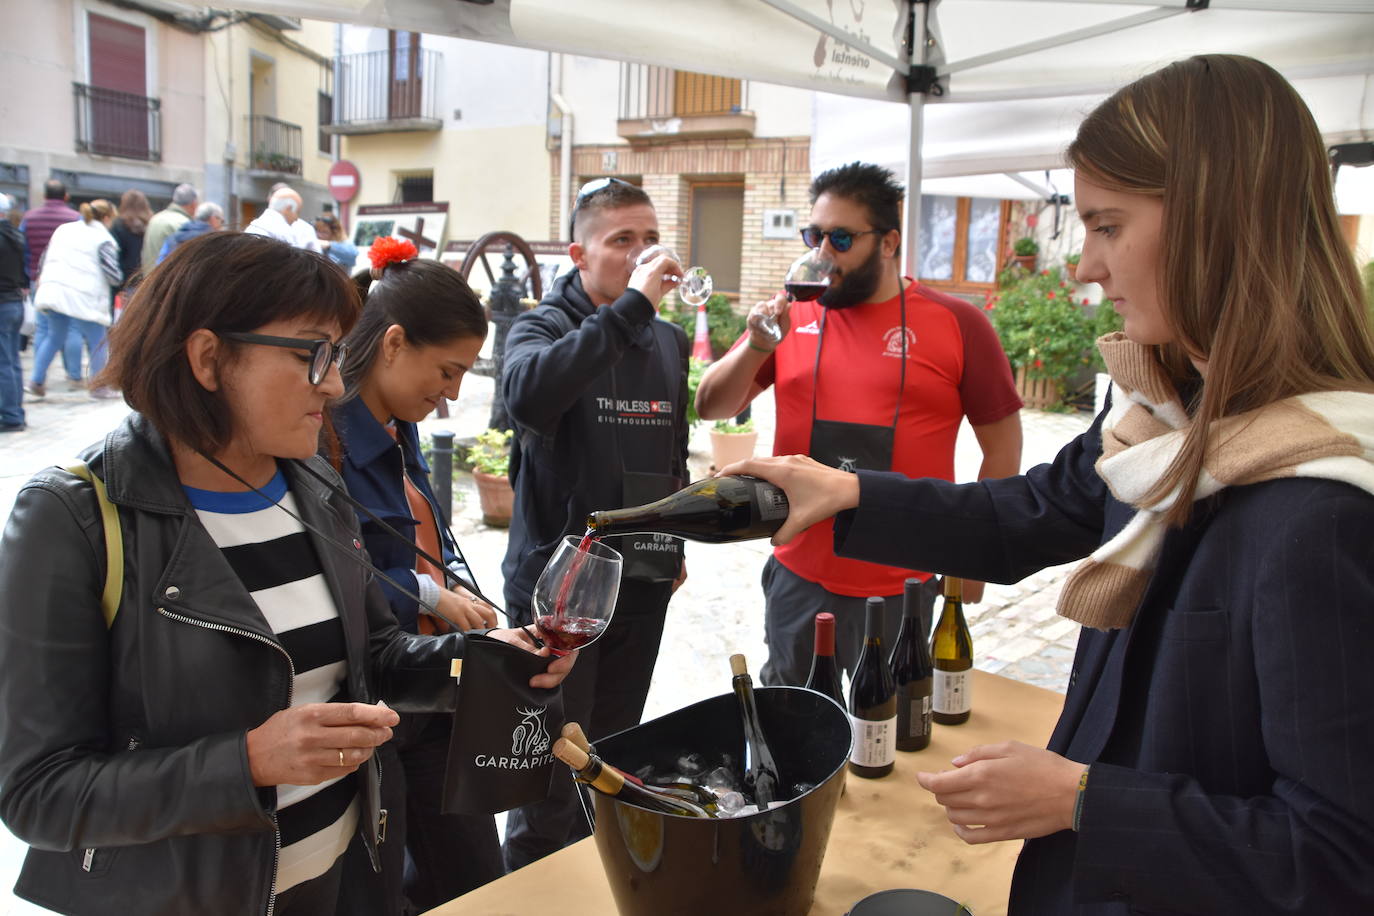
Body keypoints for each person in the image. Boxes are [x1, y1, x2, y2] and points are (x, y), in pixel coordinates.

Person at [724, 55, 1374, 914]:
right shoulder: (1162, 410)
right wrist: (850, 494)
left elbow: (1338, 857)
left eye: (1107, 227)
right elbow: (1037, 509)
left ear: (1218, 225)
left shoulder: (1322, 505)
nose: (1086, 269)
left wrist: (1079, 800)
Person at [0, 231, 573, 916]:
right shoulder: (76, 517)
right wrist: (244, 763)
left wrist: (480, 663)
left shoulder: (313, 484)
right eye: (314, 355)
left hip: (344, 879)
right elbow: (39, 791)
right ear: (209, 358)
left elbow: (375, 659)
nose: (334, 384)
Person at [695, 161, 1023, 686]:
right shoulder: (792, 316)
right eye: (814, 235)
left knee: (891, 736)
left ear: (889, 242)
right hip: (799, 572)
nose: (822, 254)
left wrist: (972, 562)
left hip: (904, 582)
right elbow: (711, 404)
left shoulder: (958, 324)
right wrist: (759, 344)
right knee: (790, 731)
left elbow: (1003, 448)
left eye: (841, 238)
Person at [499, 177, 689, 871]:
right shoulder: (540, 327)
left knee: (613, 754)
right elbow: (529, 398)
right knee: (550, 771)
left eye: (649, 238)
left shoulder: (664, 339)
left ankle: (595, 881)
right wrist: (633, 303)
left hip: (641, 579)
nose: (643, 254)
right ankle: (533, 890)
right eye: (622, 242)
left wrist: (674, 544)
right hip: (560, 594)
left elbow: (672, 449)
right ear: (580, 253)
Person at [330, 240, 505, 914]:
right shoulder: (326, 436)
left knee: (471, 869)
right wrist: (431, 593)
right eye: (448, 371)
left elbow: (428, 529)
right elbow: (351, 564)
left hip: (433, 683)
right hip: (379, 695)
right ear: (393, 344)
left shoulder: (398, 423)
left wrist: (455, 583)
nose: (453, 393)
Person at [28, 199, 123, 400]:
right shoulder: (103, 238)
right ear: (106, 218)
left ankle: (36, 380)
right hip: (83, 294)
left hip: (54, 288)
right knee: (97, 339)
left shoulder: (63, 230)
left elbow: (45, 258)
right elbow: (112, 274)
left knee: (55, 335)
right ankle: (98, 385)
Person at [19, 179, 81, 383]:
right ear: (66, 196)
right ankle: (74, 375)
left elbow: (22, 250)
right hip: (70, 282)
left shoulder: (29, 218)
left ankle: (39, 375)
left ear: (45, 196)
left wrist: (28, 277)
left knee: (44, 329)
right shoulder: (75, 219)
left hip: (40, 281)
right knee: (71, 328)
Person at [0, 193, 26, 431]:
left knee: (4, 362)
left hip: (4, 301)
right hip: (14, 302)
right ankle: (15, 410)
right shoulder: (15, 234)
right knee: (12, 361)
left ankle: (11, 415)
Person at [141, 183, 197, 271]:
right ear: (193, 204)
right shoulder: (185, 224)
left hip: (150, 279)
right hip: (168, 281)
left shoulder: (155, 219)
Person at [247, 188, 320, 252]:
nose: (296, 219)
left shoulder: (256, 225)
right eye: (297, 212)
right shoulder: (282, 230)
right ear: (288, 208)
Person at [111, 189, 153, 290]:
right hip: (148, 276)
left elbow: (116, 254)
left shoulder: (118, 225)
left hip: (127, 279)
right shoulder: (152, 223)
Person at [157, 202, 225, 263]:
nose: (222, 226)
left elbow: (160, 263)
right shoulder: (215, 241)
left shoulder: (172, 238)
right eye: (222, 221)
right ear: (213, 218)